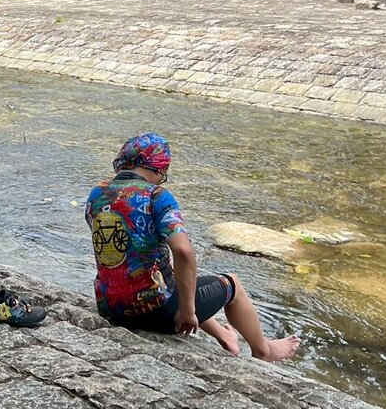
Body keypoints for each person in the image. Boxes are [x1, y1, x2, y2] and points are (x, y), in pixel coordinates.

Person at [85, 133, 301, 362]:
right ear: (159, 168)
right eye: (164, 174)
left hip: (111, 308)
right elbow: (184, 251)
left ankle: (225, 336)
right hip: (156, 313)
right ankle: (264, 350)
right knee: (233, 284)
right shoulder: (157, 196)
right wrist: (187, 311)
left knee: (172, 276)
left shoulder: (97, 194)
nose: (162, 179)